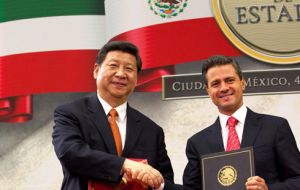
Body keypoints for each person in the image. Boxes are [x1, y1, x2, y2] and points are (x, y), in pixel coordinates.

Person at [52, 41, 175, 190]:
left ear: (137, 79)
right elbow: (70, 153)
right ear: (96, 71)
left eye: (129, 69)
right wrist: (125, 164)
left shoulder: (152, 130)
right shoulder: (71, 113)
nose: (121, 74)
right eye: (113, 66)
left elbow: (165, 180)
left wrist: (156, 182)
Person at [183, 55, 300, 190]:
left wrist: (268, 189)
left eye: (230, 80)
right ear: (208, 91)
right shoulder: (197, 143)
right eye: (216, 84)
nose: (224, 88)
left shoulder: (275, 127)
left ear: (242, 83)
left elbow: (297, 179)